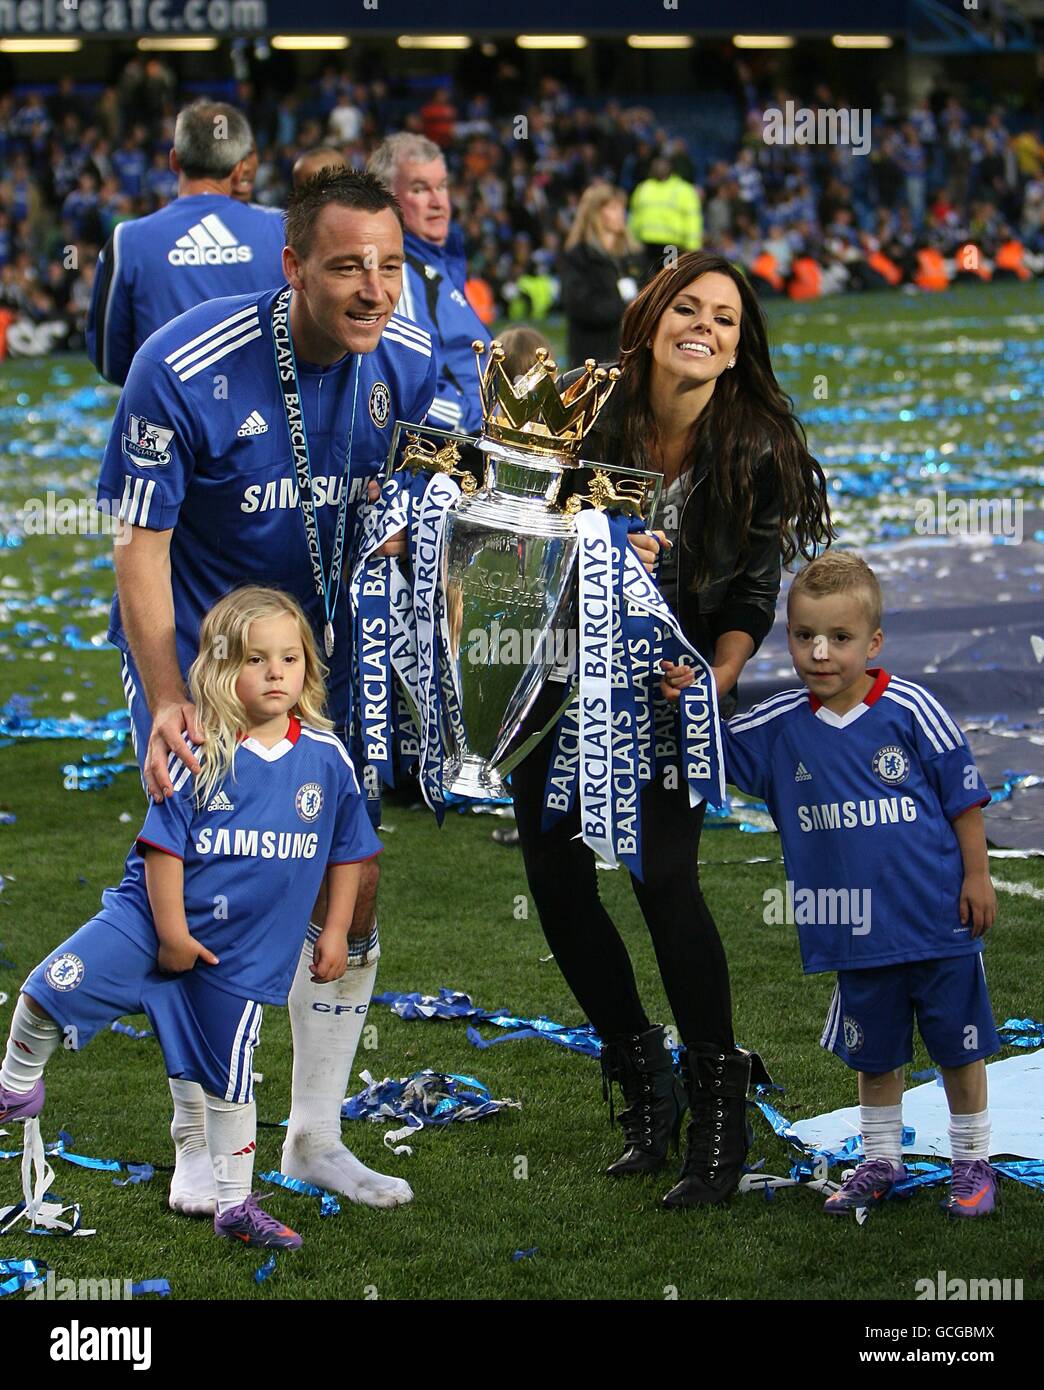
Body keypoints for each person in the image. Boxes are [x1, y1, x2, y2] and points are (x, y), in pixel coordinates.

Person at [95, 167, 436, 1216]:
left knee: (352, 883)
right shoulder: (182, 367)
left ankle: (315, 1135)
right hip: (206, 659)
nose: (375, 287)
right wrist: (167, 698)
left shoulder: (409, 363)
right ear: (292, 266)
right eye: (347, 266)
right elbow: (139, 546)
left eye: (389, 265)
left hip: (327, 664)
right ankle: (199, 1140)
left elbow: (427, 498)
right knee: (217, 897)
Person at [506, 250, 833, 1208]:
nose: (706, 328)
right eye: (688, 308)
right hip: (556, 676)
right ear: (650, 319)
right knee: (558, 885)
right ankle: (641, 1075)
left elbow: (756, 587)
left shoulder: (760, 442)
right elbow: (509, 531)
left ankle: (719, 1105)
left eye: (726, 320)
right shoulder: (582, 411)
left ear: (738, 348)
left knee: (666, 881)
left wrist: (719, 675)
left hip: (670, 690)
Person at [0, 587, 382, 1248]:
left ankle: (236, 1205)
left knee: (231, 1087)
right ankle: (13, 1089)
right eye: (255, 659)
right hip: (148, 925)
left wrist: (340, 929)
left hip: (235, 960)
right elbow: (163, 851)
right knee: (46, 988)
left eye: (289, 659)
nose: (274, 673)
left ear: (307, 669)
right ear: (219, 668)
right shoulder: (199, 747)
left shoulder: (327, 758)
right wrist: (171, 935)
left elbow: (350, 853)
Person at [720, 552, 999, 1218]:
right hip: (853, 932)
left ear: (872, 643)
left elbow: (963, 798)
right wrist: (679, 691)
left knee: (959, 1049)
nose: (819, 653)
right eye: (803, 636)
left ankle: (973, 1165)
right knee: (874, 1057)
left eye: (839, 638)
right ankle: (881, 1159)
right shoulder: (780, 725)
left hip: (938, 922)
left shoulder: (911, 709)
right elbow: (711, 748)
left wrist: (979, 875)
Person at [87, 101, 286, 386]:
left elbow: (109, 360)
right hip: (262, 418)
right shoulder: (284, 229)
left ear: (174, 160)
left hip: (166, 416)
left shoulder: (126, 241)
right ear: (239, 168)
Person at [368, 133, 490, 435]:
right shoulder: (402, 275)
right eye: (420, 189)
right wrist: (483, 422)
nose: (438, 202)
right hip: (456, 453)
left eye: (442, 186)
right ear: (387, 199)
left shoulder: (441, 262)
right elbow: (404, 388)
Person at [560, 184, 643, 368]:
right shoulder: (579, 256)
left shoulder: (633, 257)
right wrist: (626, 307)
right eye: (613, 208)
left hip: (629, 353)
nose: (621, 213)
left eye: (622, 207)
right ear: (596, 214)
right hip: (592, 353)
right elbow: (579, 304)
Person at [628, 156, 703, 282]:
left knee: (667, 281)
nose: (659, 168)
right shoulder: (643, 188)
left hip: (671, 246)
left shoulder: (683, 190)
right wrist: (630, 241)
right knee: (644, 281)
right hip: (645, 245)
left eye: (662, 165)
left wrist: (692, 248)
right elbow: (634, 217)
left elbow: (692, 220)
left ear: (670, 168)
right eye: (656, 165)